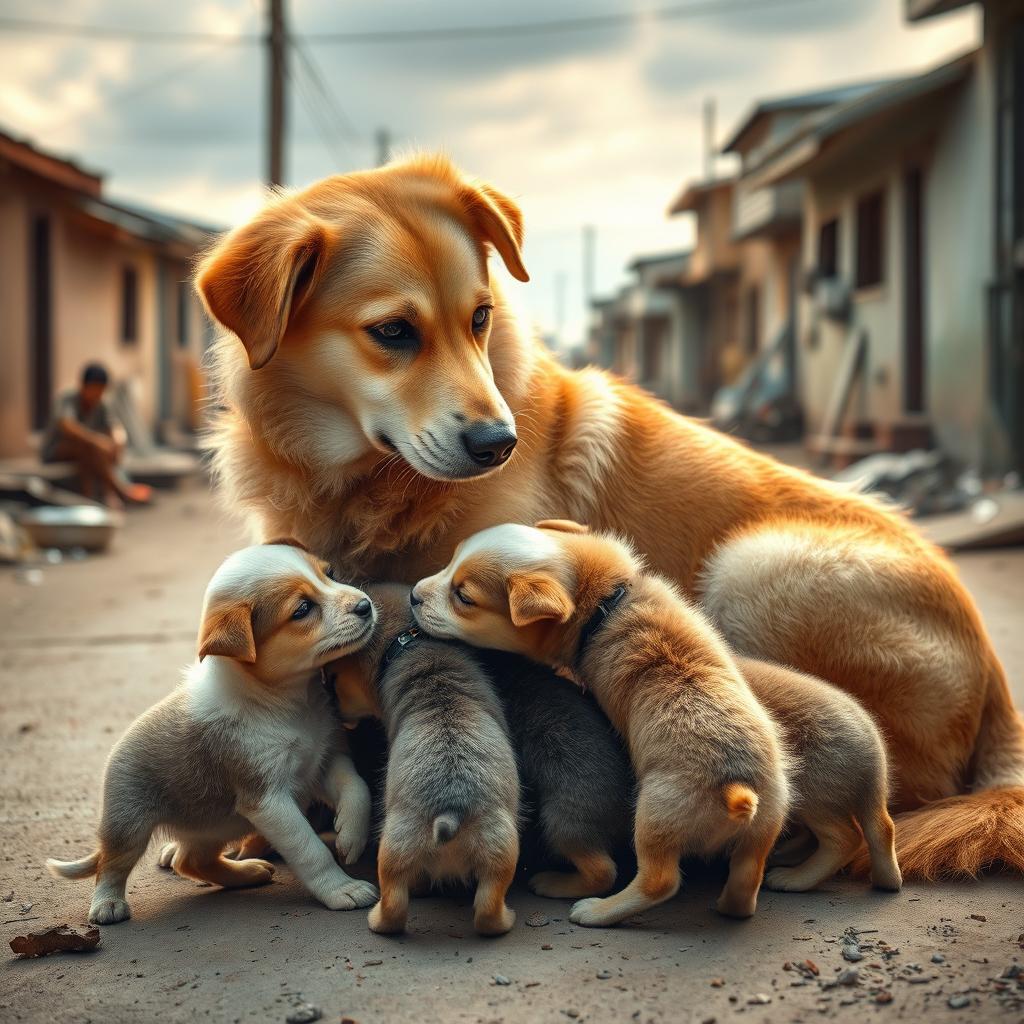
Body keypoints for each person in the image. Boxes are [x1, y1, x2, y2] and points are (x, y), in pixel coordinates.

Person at [41, 363, 152, 509]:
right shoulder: (67, 399)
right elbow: (67, 426)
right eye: (95, 389)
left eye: (101, 390)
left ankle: (93, 499)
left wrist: (117, 442)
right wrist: (97, 441)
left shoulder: (101, 404)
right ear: (84, 386)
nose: (97, 394)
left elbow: (115, 427)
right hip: (56, 451)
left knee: (90, 452)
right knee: (89, 447)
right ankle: (120, 492)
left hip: (87, 453)